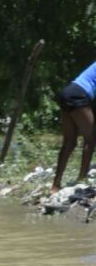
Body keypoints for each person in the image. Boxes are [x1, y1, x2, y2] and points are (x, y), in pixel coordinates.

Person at [51, 58, 96, 193]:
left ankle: (55, 185)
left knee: (69, 142)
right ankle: (81, 180)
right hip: (79, 95)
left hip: (68, 92)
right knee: (91, 139)